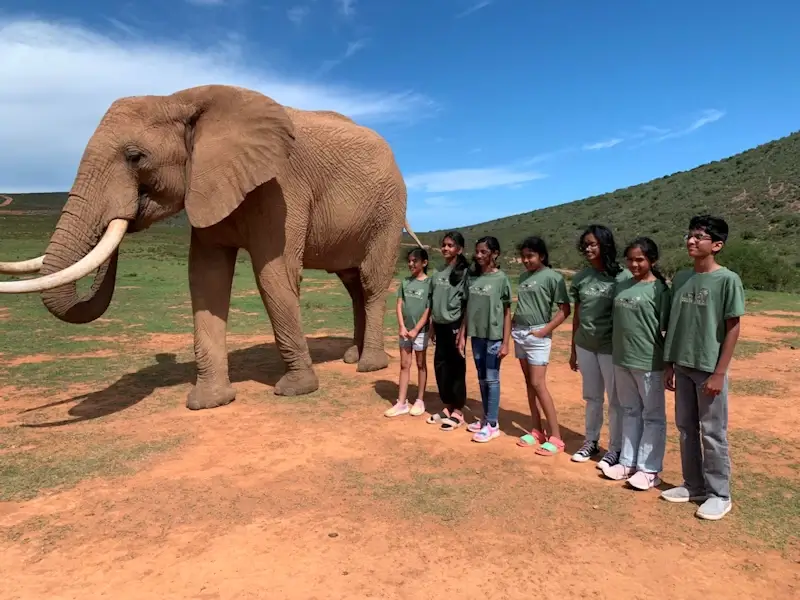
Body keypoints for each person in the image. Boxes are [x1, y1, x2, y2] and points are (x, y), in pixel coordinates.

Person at [661, 215, 745, 521]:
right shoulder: (682, 278)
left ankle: (719, 494)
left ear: (717, 245)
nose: (691, 241)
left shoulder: (727, 280)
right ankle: (693, 485)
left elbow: (733, 327)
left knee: (712, 432)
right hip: (682, 364)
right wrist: (669, 363)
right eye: (689, 235)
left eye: (699, 237)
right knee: (685, 429)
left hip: (709, 367)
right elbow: (673, 323)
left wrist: (720, 373)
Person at [601, 237, 671, 489]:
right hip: (622, 359)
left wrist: (669, 363)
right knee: (630, 411)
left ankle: (649, 469)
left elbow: (667, 328)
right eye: (630, 259)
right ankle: (628, 462)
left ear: (652, 260)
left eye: (639, 259)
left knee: (652, 416)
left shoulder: (659, 291)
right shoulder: (623, 287)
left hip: (649, 361)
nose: (634, 264)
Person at [569, 224, 632, 467]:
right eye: (585, 244)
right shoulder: (582, 277)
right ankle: (591, 441)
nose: (588, 248)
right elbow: (578, 314)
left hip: (611, 348)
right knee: (592, 397)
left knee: (616, 400)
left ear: (605, 245)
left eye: (593, 243)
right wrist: (574, 348)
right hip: (586, 345)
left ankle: (615, 448)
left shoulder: (622, 277)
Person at [511, 236, 571, 456]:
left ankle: (556, 437)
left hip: (538, 334)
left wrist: (544, 330)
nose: (526, 260)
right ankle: (537, 430)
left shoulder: (553, 277)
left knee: (538, 384)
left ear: (542, 256)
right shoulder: (524, 276)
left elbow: (564, 309)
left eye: (531, 256)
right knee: (529, 383)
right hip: (520, 333)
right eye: (524, 256)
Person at [457, 236, 512, 443]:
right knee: (481, 378)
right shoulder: (472, 278)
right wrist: (463, 334)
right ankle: (485, 419)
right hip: (477, 336)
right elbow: (467, 309)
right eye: (477, 252)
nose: (478, 256)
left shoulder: (501, 279)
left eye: (483, 252)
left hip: (494, 337)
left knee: (492, 378)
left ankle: (493, 424)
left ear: (495, 254)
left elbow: (507, 312)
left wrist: (506, 342)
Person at [427, 232, 470, 431]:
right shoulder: (438, 273)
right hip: (440, 325)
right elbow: (434, 301)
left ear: (459, 249)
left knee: (456, 367)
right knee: (441, 366)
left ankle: (458, 411)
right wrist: (432, 327)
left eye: (450, 245)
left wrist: (462, 332)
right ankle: (447, 406)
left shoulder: (464, 273)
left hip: (455, 326)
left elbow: (467, 304)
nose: (446, 248)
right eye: (444, 245)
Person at [385, 248, 433, 417]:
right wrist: (401, 327)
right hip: (405, 331)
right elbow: (399, 304)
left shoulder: (429, 283)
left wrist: (416, 329)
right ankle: (401, 402)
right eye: (410, 261)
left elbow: (428, 309)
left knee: (421, 364)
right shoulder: (405, 282)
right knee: (404, 365)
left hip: (420, 332)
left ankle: (420, 400)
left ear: (424, 263)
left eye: (415, 261)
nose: (411, 264)